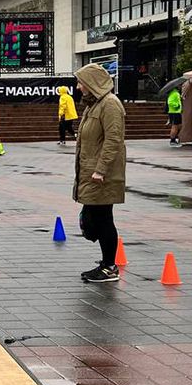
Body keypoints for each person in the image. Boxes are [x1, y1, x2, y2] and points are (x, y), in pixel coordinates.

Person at [73, 64, 127, 283]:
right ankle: (107, 263)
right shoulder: (93, 105)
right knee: (91, 218)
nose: (78, 87)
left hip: (103, 174)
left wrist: (101, 169)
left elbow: (113, 140)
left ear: (92, 82)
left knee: (102, 219)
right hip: (90, 171)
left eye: (81, 82)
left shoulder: (110, 105)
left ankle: (109, 266)